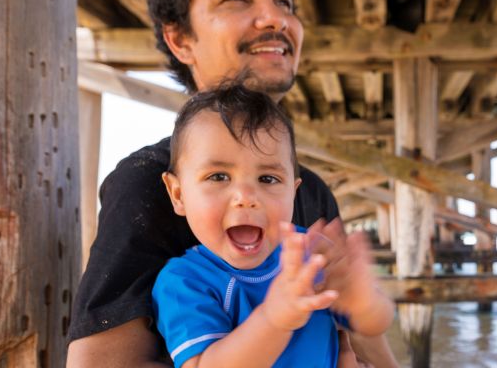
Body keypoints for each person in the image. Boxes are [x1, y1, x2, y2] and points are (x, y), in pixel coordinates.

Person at [67, 0, 399, 367]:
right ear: (180, 38)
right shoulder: (145, 182)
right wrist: (273, 322)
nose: (275, 19)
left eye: (284, 2)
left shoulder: (312, 192)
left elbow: (365, 349)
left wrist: (364, 304)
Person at [153, 85, 394, 368]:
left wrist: (363, 301)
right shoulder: (184, 281)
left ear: (293, 192)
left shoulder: (311, 255)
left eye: (267, 179)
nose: (246, 197)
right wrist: (274, 319)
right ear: (178, 194)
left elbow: (372, 325)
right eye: (218, 176)